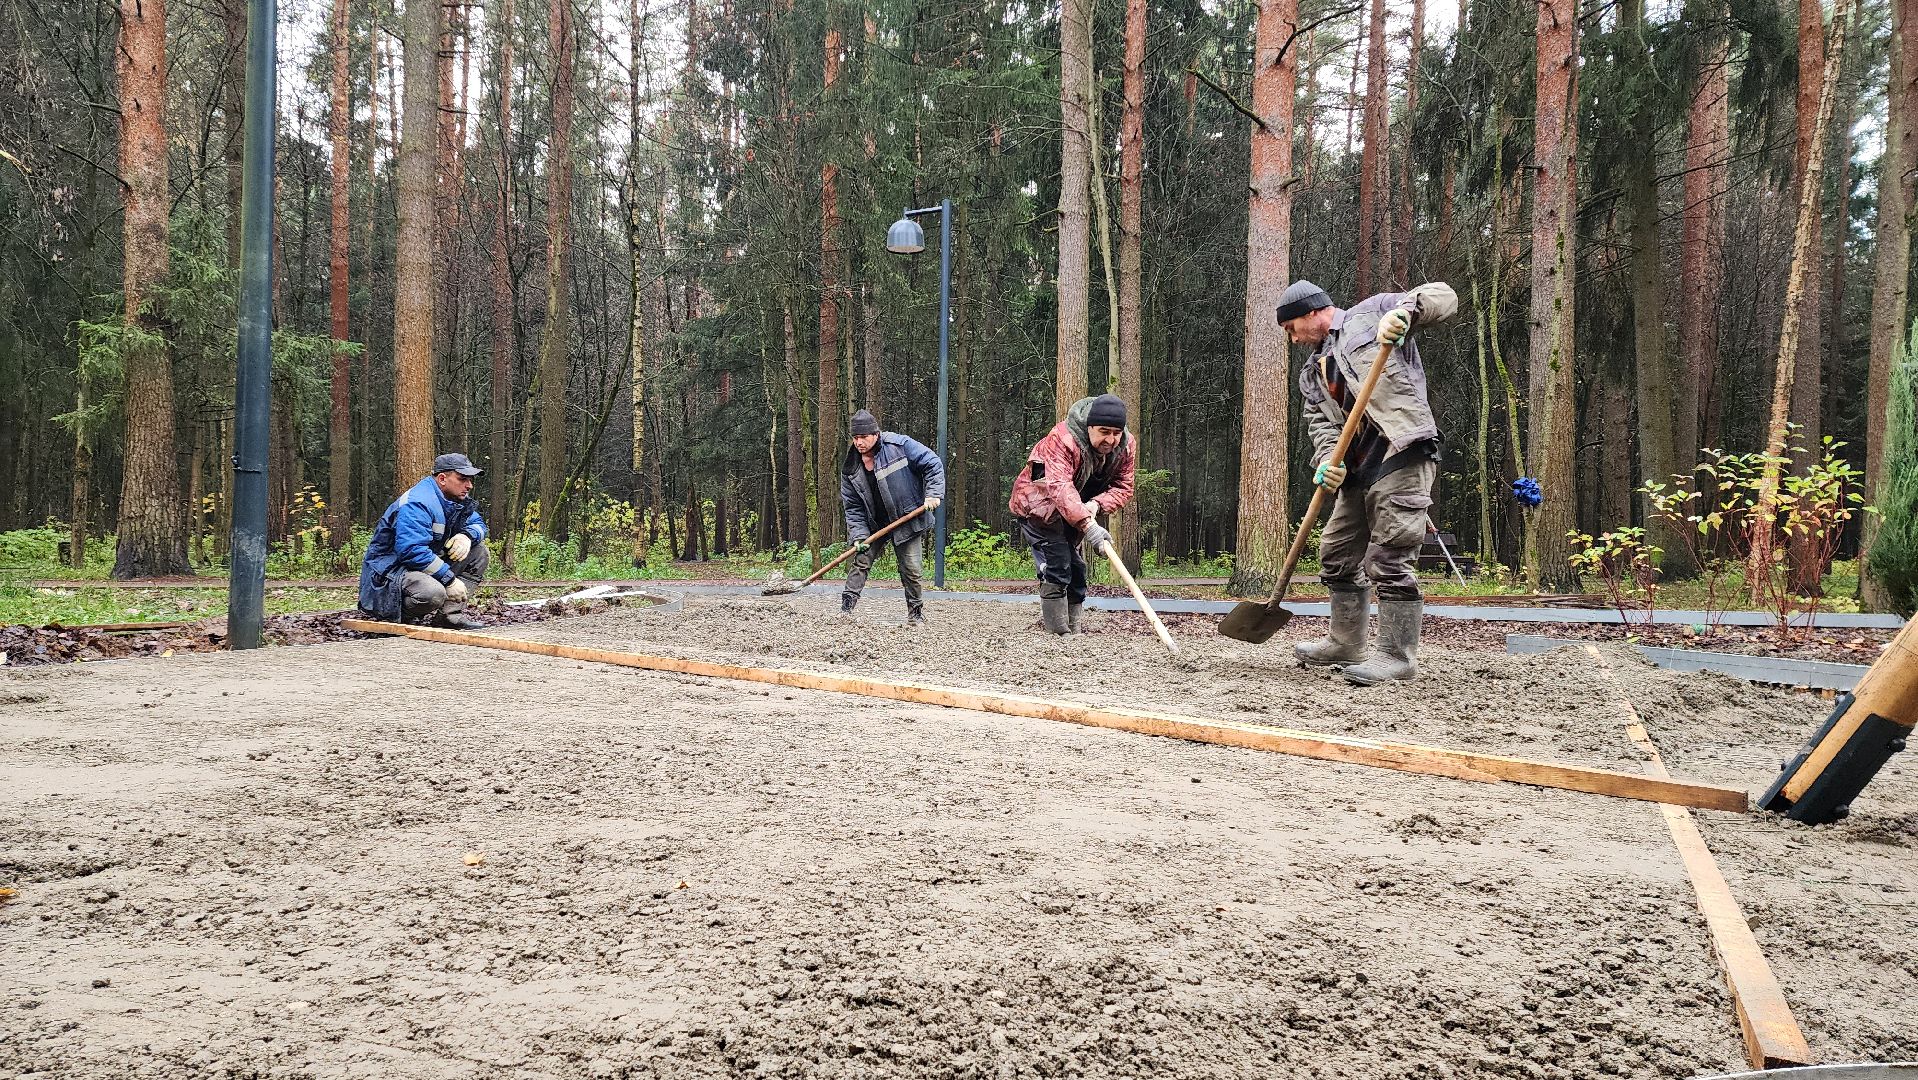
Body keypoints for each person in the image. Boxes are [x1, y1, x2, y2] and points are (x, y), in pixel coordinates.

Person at [1278, 278, 1457, 685]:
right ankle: (1346, 642)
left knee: (1390, 556)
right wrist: (1328, 462)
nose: (1293, 339)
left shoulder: (1372, 313)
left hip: (1401, 452)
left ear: (1311, 312)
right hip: (1357, 471)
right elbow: (1321, 426)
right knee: (1337, 554)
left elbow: (1443, 296)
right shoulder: (1311, 375)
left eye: (1291, 328)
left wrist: (1404, 314)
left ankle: (1396, 656)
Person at [1008, 393, 1137, 635]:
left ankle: (1074, 629)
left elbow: (1124, 487)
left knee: (1077, 569)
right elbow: (1060, 487)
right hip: (1039, 509)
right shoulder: (1062, 438)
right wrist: (1090, 527)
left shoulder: (1126, 445)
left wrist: (1096, 505)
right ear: (1089, 427)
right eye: (1104, 432)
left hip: (1074, 511)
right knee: (1058, 564)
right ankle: (1058, 633)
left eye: (1116, 433)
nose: (1111, 439)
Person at [358, 453, 491, 629]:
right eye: (462, 479)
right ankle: (392, 615)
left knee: (479, 552)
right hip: (389, 574)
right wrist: (449, 580)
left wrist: (466, 536)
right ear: (442, 479)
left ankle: (449, 617)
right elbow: (411, 551)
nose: (469, 485)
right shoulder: (418, 503)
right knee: (433, 593)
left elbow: (479, 524)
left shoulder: (454, 500)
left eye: (470, 480)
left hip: (416, 567)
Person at [839, 409, 945, 624]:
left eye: (863, 437)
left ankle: (915, 614)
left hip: (906, 517)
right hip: (873, 524)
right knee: (860, 561)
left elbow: (932, 463)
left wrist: (933, 493)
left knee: (911, 568)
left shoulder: (900, 446)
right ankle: (845, 611)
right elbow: (853, 506)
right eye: (855, 438)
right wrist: (859, 535)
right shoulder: (850, 467)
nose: (859, 442)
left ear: (875, 434)